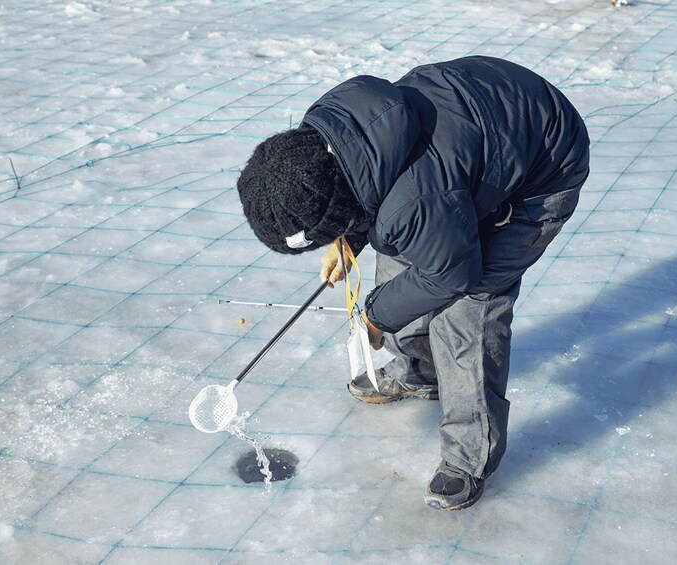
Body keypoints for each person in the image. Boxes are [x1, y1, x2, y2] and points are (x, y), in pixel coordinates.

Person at [236, 56, 590, 510]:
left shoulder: (415, 203)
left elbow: (451, 272)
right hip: (474, 137)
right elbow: (369, 187)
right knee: (400, 253)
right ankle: (419, 370)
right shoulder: (328, 137)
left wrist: (377, 316)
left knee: (469, 307)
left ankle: (469, 456)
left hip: (542, 163)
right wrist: (349, 239)